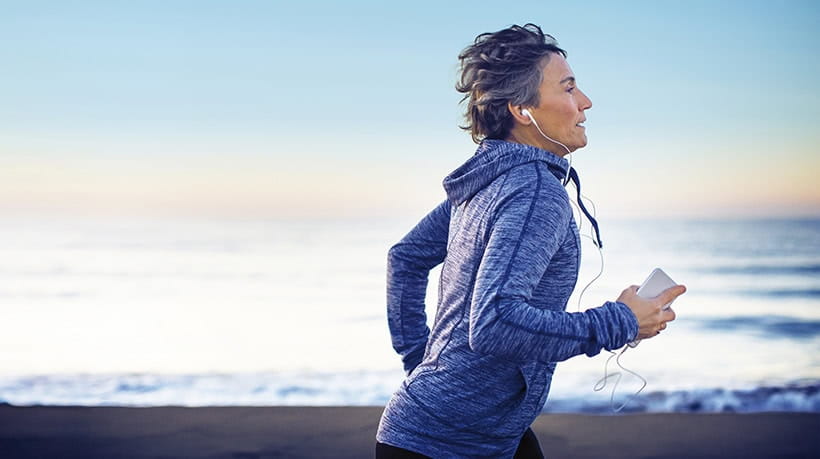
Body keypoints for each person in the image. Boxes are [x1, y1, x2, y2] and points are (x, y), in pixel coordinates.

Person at [375, 23, 686, 458]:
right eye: (569, 88)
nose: (586, 102)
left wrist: (426, 367)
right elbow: (495, 322)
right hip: (445, 445)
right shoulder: (534, 191)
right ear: (522, 109)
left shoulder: (489, 182)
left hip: (472, 430)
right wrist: (620, 322)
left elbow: (404, 258)